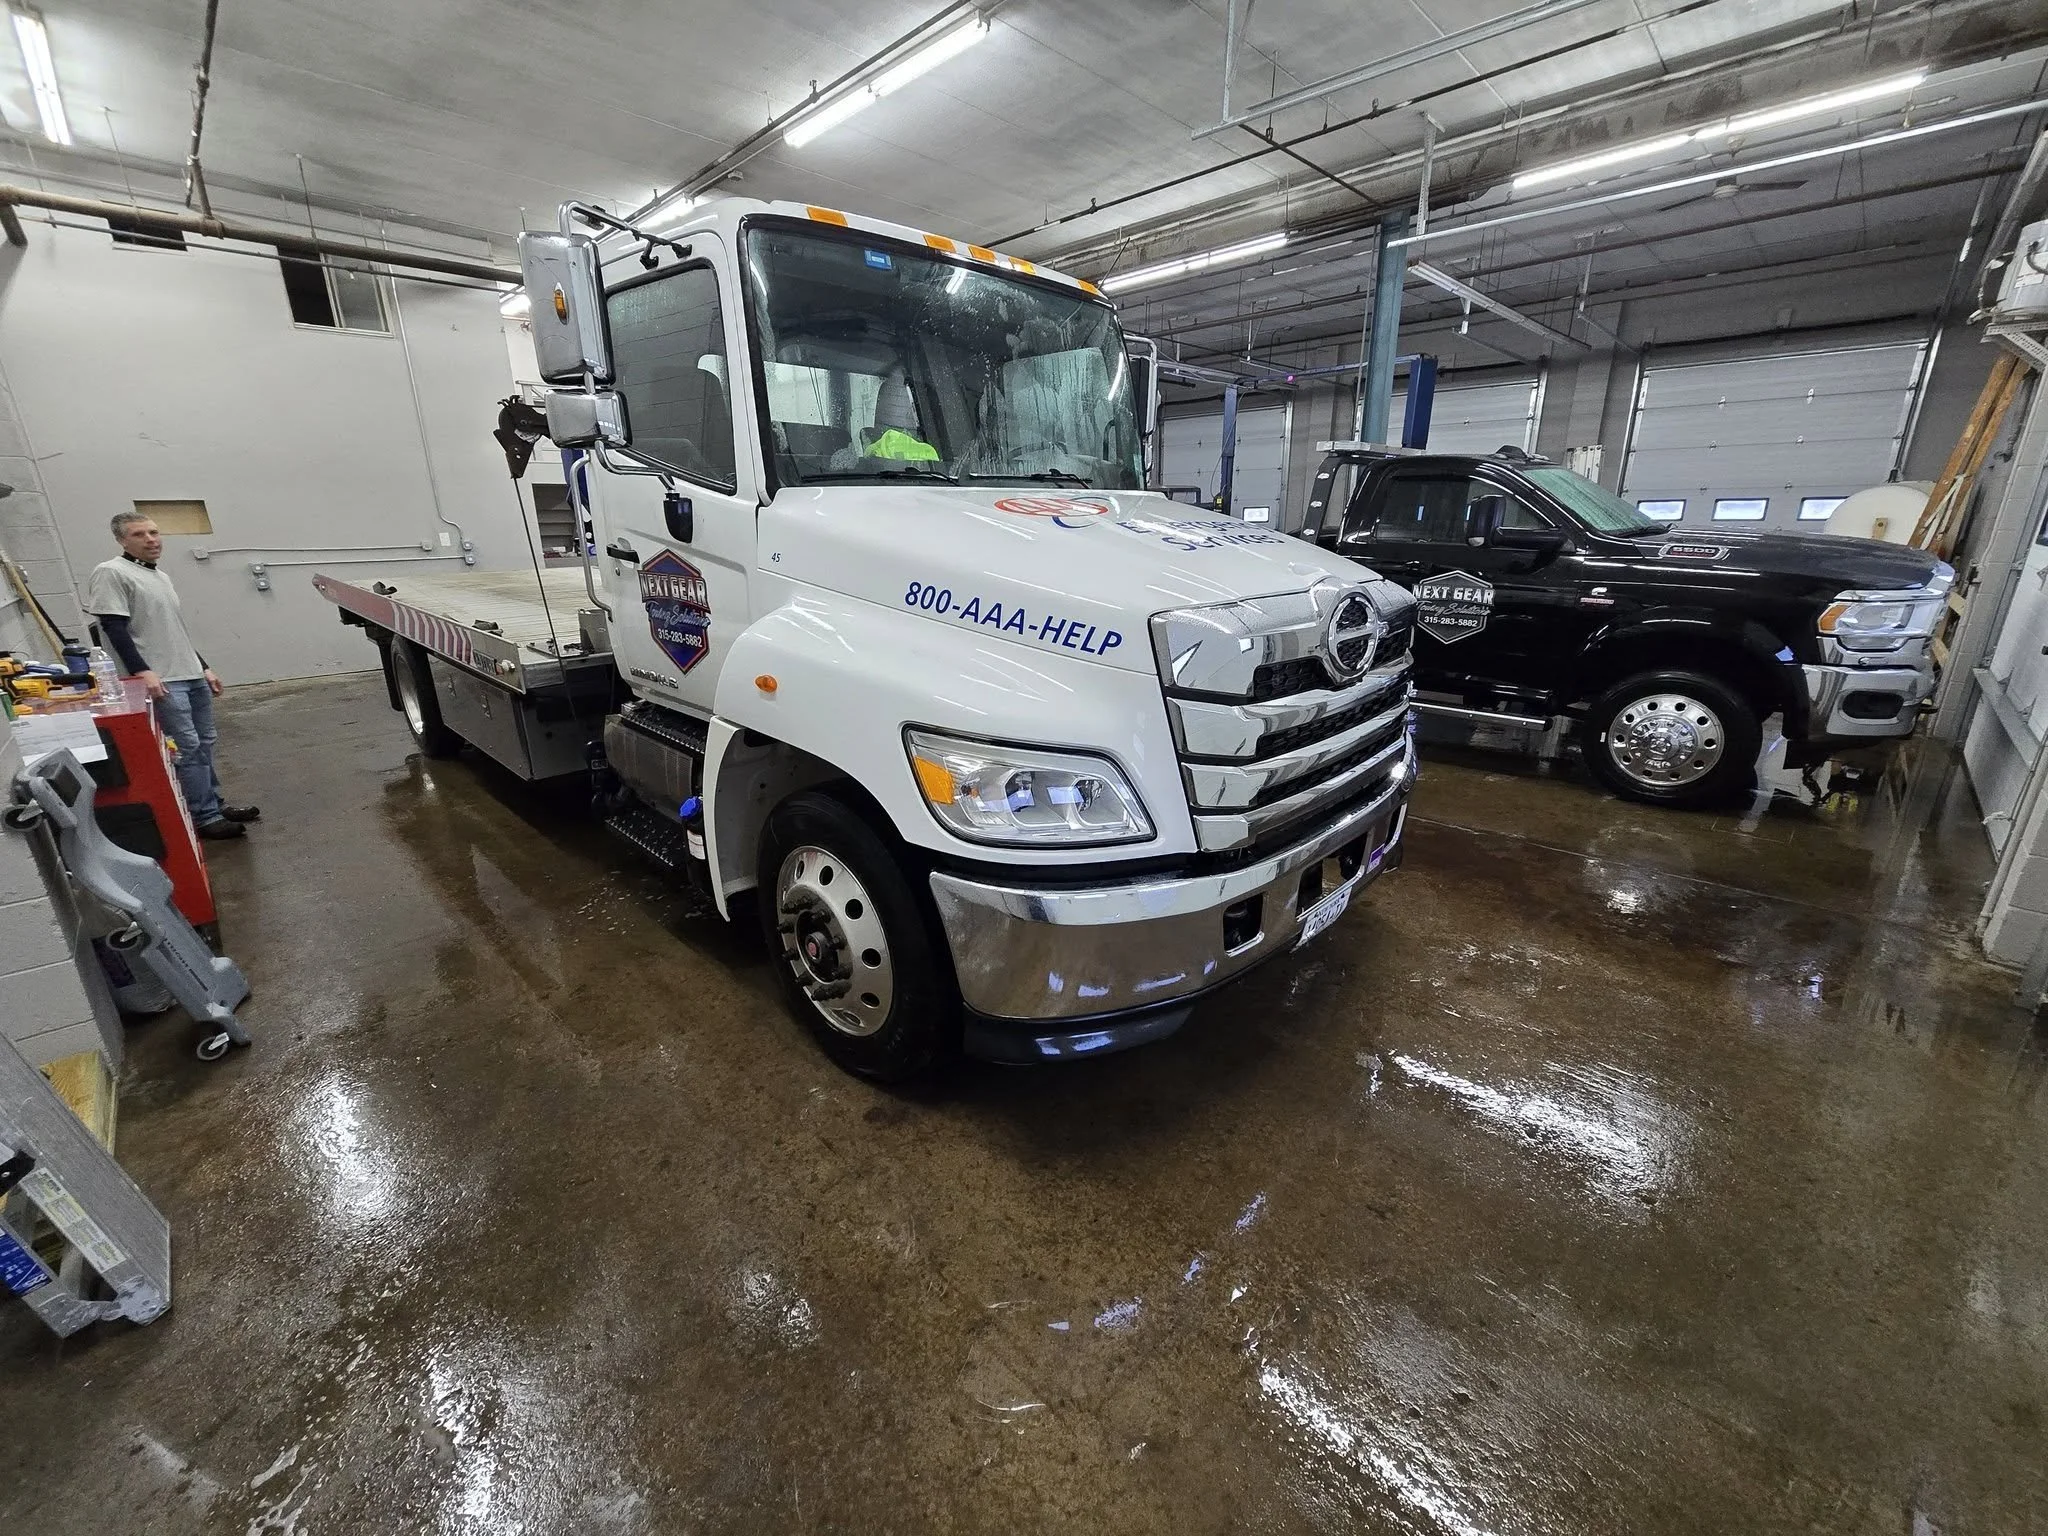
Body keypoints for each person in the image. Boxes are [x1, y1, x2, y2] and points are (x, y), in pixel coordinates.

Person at [85, 512, 260, 841]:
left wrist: (203, 666)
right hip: (163, 679)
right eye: (139, 534)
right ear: (122, 540)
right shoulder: (112, 573)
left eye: (154, 532)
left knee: (205, 743)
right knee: (187, 747)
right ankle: (205, 817)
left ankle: (214, 802)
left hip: (189, 673)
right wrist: (142, 672)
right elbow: (113, 627)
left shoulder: (159, 576)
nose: (151, 539)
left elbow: (174, 632)